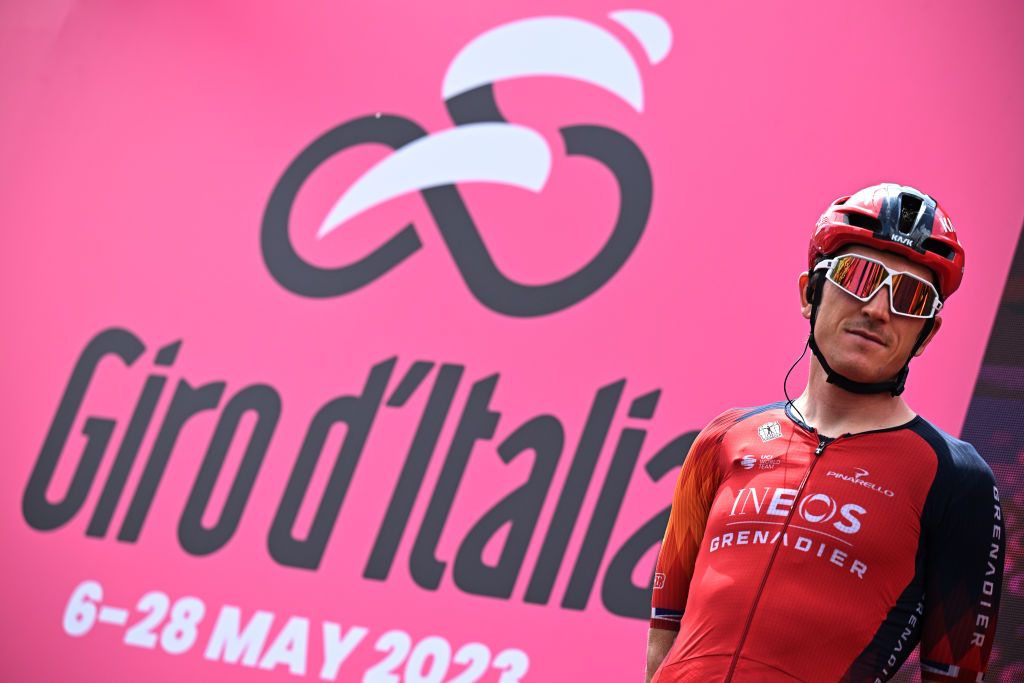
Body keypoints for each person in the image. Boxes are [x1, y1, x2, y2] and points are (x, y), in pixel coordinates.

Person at [646, 184, 1005, 682]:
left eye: (911, 295)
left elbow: (957, 675)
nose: (879, 310)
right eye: (858, 277)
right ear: (808, 294)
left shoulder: (957, 479)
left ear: (927, 334)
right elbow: (664, 635)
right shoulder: (723, 438)